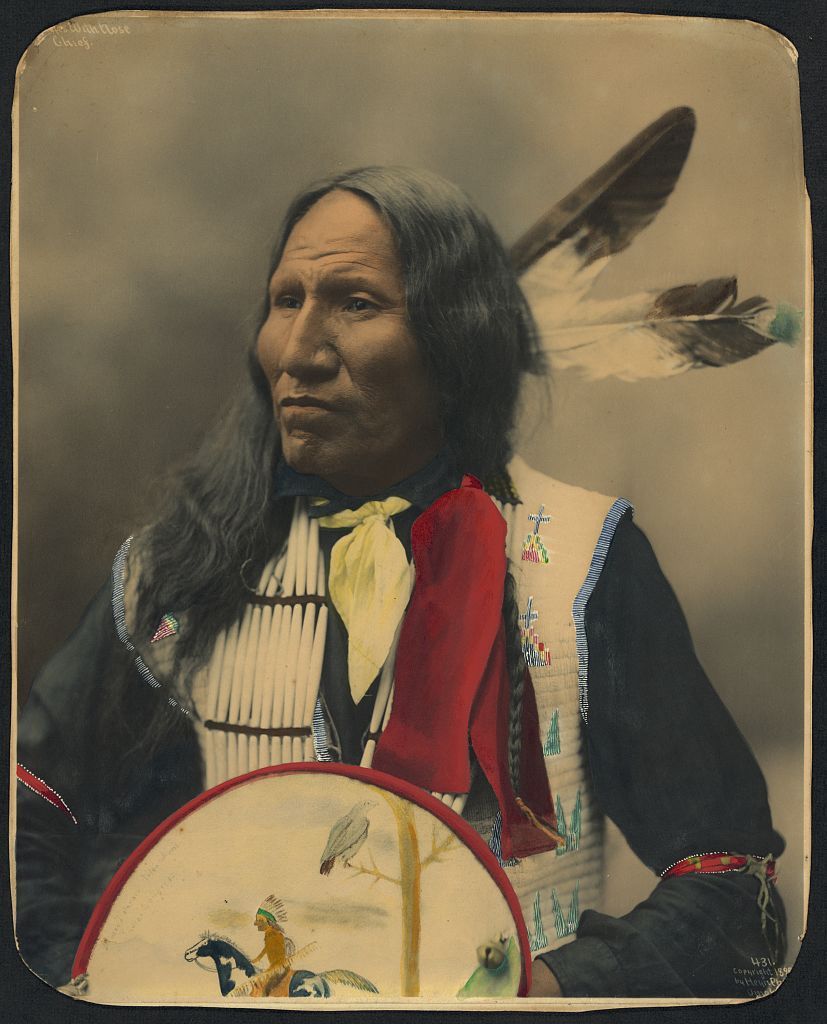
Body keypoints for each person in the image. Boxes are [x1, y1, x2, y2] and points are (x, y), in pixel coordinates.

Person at [15, 166, 785, 998]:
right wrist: (80, 984)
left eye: (355, 303)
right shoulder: (178, 573)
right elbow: (28, 818)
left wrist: (550, 989)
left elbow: (731, 886)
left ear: (453, 342)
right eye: (285, 300)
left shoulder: (577, 564)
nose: (299, 352)